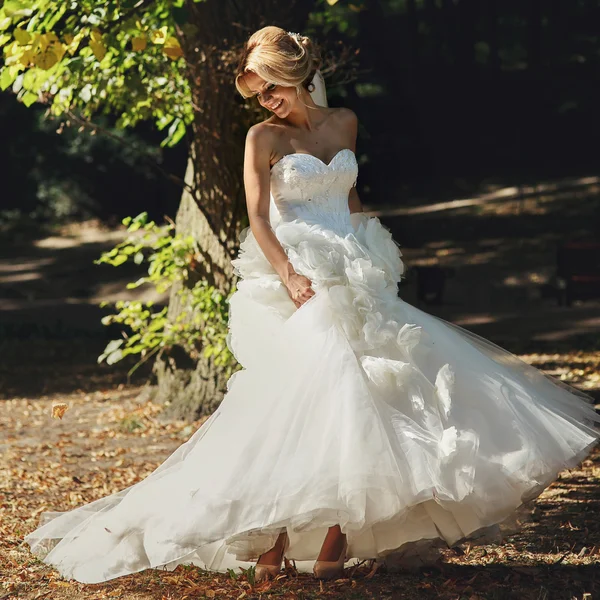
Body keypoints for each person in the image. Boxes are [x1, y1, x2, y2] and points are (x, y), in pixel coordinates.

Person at [23, 26, 600, 585]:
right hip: (295, 265)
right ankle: (276, 531)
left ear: (296, 79)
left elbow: (350, 198)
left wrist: (373, 255)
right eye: (257, 93)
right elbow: (254, 215)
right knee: (304, 399)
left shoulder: (345, 122)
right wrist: (289, 273)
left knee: (376, 393)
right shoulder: (262, 138)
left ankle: (336, 531)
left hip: (353, 263)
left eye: (270, 88)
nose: (266, 101)